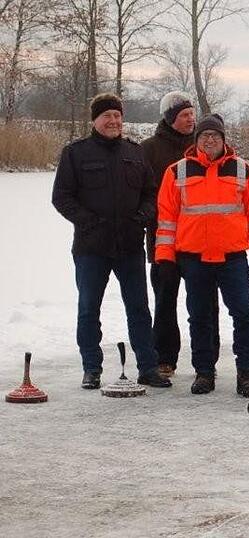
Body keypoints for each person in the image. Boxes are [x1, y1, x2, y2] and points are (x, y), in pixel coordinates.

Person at [52, 93, 171, 390]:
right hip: (92, 248)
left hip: (130, 246)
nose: (114, 121)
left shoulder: (135, 152)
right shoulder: (75, 153)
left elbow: (151, 192)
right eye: (107, 116)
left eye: (117, 116)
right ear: (95, 120)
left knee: (139, 309)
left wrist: (142, 217)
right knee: (89, 308)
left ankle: (147, 367)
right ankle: (91, 368)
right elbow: (62, 197)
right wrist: (90, 222)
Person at [154, 113, 249, 397]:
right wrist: (165, 258)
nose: (209, 140)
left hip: (232, 258)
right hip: (194, 259)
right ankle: (204, 372)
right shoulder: (176, 172)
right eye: (204, 135)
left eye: (215, 135)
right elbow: (167, 219)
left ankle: (246, 373)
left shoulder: (243, 170)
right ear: (196, 140)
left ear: (223, 140)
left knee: (244, 314)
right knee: (200, 317)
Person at [141, 91, 220, 378]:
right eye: (184, 115)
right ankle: (165, 357)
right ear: (170, 118)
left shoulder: (205, 146)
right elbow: (143, 193)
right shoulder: (148, 149)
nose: (190, 119)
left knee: (206, 301)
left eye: (191, 114)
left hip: (202, 241)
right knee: (165, 300)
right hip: (164, 239)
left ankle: (209, 355)